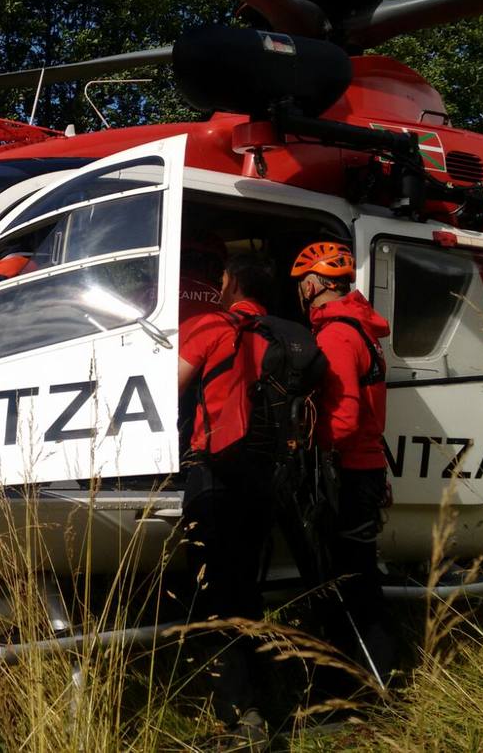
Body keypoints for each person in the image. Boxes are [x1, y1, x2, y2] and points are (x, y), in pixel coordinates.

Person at [177, 251, 276, 751]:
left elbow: (166, 386)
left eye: (220, 279)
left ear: (233, 282)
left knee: (216, 594)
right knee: (247, 588)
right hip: (264, 476)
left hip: (213, 471)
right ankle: (267, 697)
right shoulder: (284, 333)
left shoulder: (213, 324)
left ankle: (241, 717)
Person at [290, 240, 397, 682]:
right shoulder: (360, 328)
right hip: (367, 468)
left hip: (348, 473)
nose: (300, 293)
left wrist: (304, 444)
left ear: (313, 284)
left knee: (347, 582)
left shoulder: (335, 334)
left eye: (300, 285)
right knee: (361, 577)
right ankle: (378, 677)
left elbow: (346, 417)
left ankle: (364, 684)